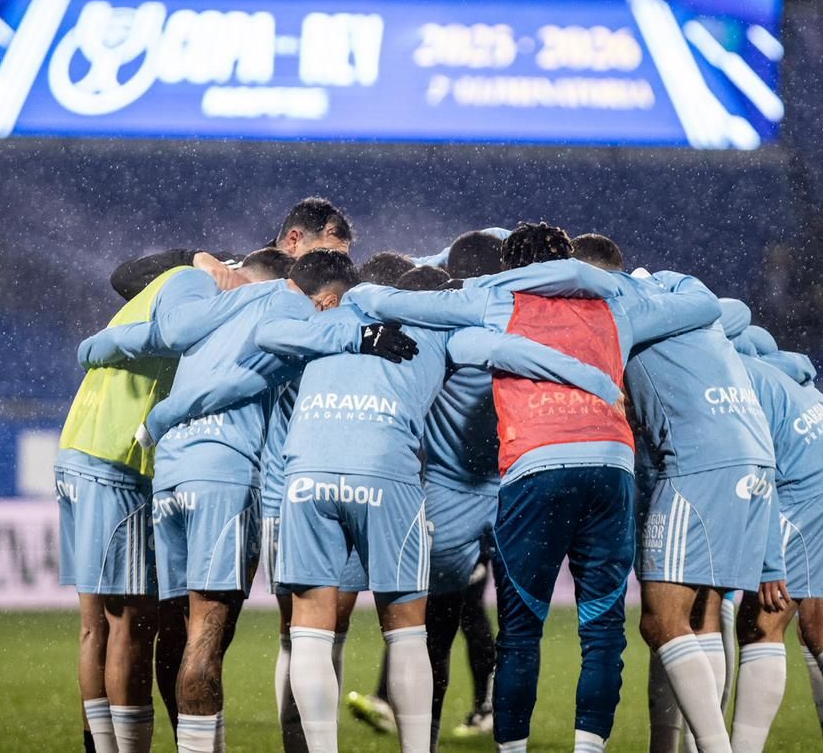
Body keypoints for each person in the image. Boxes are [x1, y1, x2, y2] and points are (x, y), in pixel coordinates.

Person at [346, 222, 721, 753]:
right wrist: (641, 280)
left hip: (535, 467)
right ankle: (588, 748)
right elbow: (708, 307)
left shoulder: (493, 297)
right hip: (612, 464)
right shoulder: (618, 301)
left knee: (519, 631)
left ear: (513, 266)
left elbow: (386, 301)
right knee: (603, 631)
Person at [261, 262, 626, 753]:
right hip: (385, 472)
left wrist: (359, 336)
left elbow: (269, 333)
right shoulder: (447, 334)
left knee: (310, 632)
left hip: (306, 474)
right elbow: (512, 350)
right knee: (408, 632)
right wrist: (601, 384)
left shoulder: (337, 319)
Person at [78, 247, 303, 753]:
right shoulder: (282, 307)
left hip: (170, 475)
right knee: (206, 637)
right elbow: (250, 378)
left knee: (171, 632)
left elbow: (148, 330)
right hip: (221, 471)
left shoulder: (205, 316)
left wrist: (94, 347)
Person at [570, 235, 775, 753]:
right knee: (702, 612)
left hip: (697, 460)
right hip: (749, 451)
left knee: (662, 618)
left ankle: (713, 747)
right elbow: (730, 310)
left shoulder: (613, 312)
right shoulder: (677, 290)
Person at [57, 250, 232, 753]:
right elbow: (174, 337)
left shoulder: (162, 283)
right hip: (120, 460)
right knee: (133, 622)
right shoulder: (196, 291)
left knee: (98, 624)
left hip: (79, 445)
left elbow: (122, 275)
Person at [347, 231, 508, 747]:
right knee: (510, 625)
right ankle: (498, 723)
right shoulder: (516, 314)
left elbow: (376, 293)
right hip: (514, 487)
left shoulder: (430, 318)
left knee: (436, 624)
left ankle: (430, 736)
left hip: (447, 495)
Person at [719, 306, 823, 753]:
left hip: (808, 487)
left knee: (759, 624)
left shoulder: (732, 377)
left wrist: (770, 560)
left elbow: (760, 468)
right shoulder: (783, 377)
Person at [108, 197, 353, 299]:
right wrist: (193, 259)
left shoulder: (327, 298)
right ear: (294, 240)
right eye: (325, 255)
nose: (333, 269)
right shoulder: (228, 271)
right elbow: (125, 279)